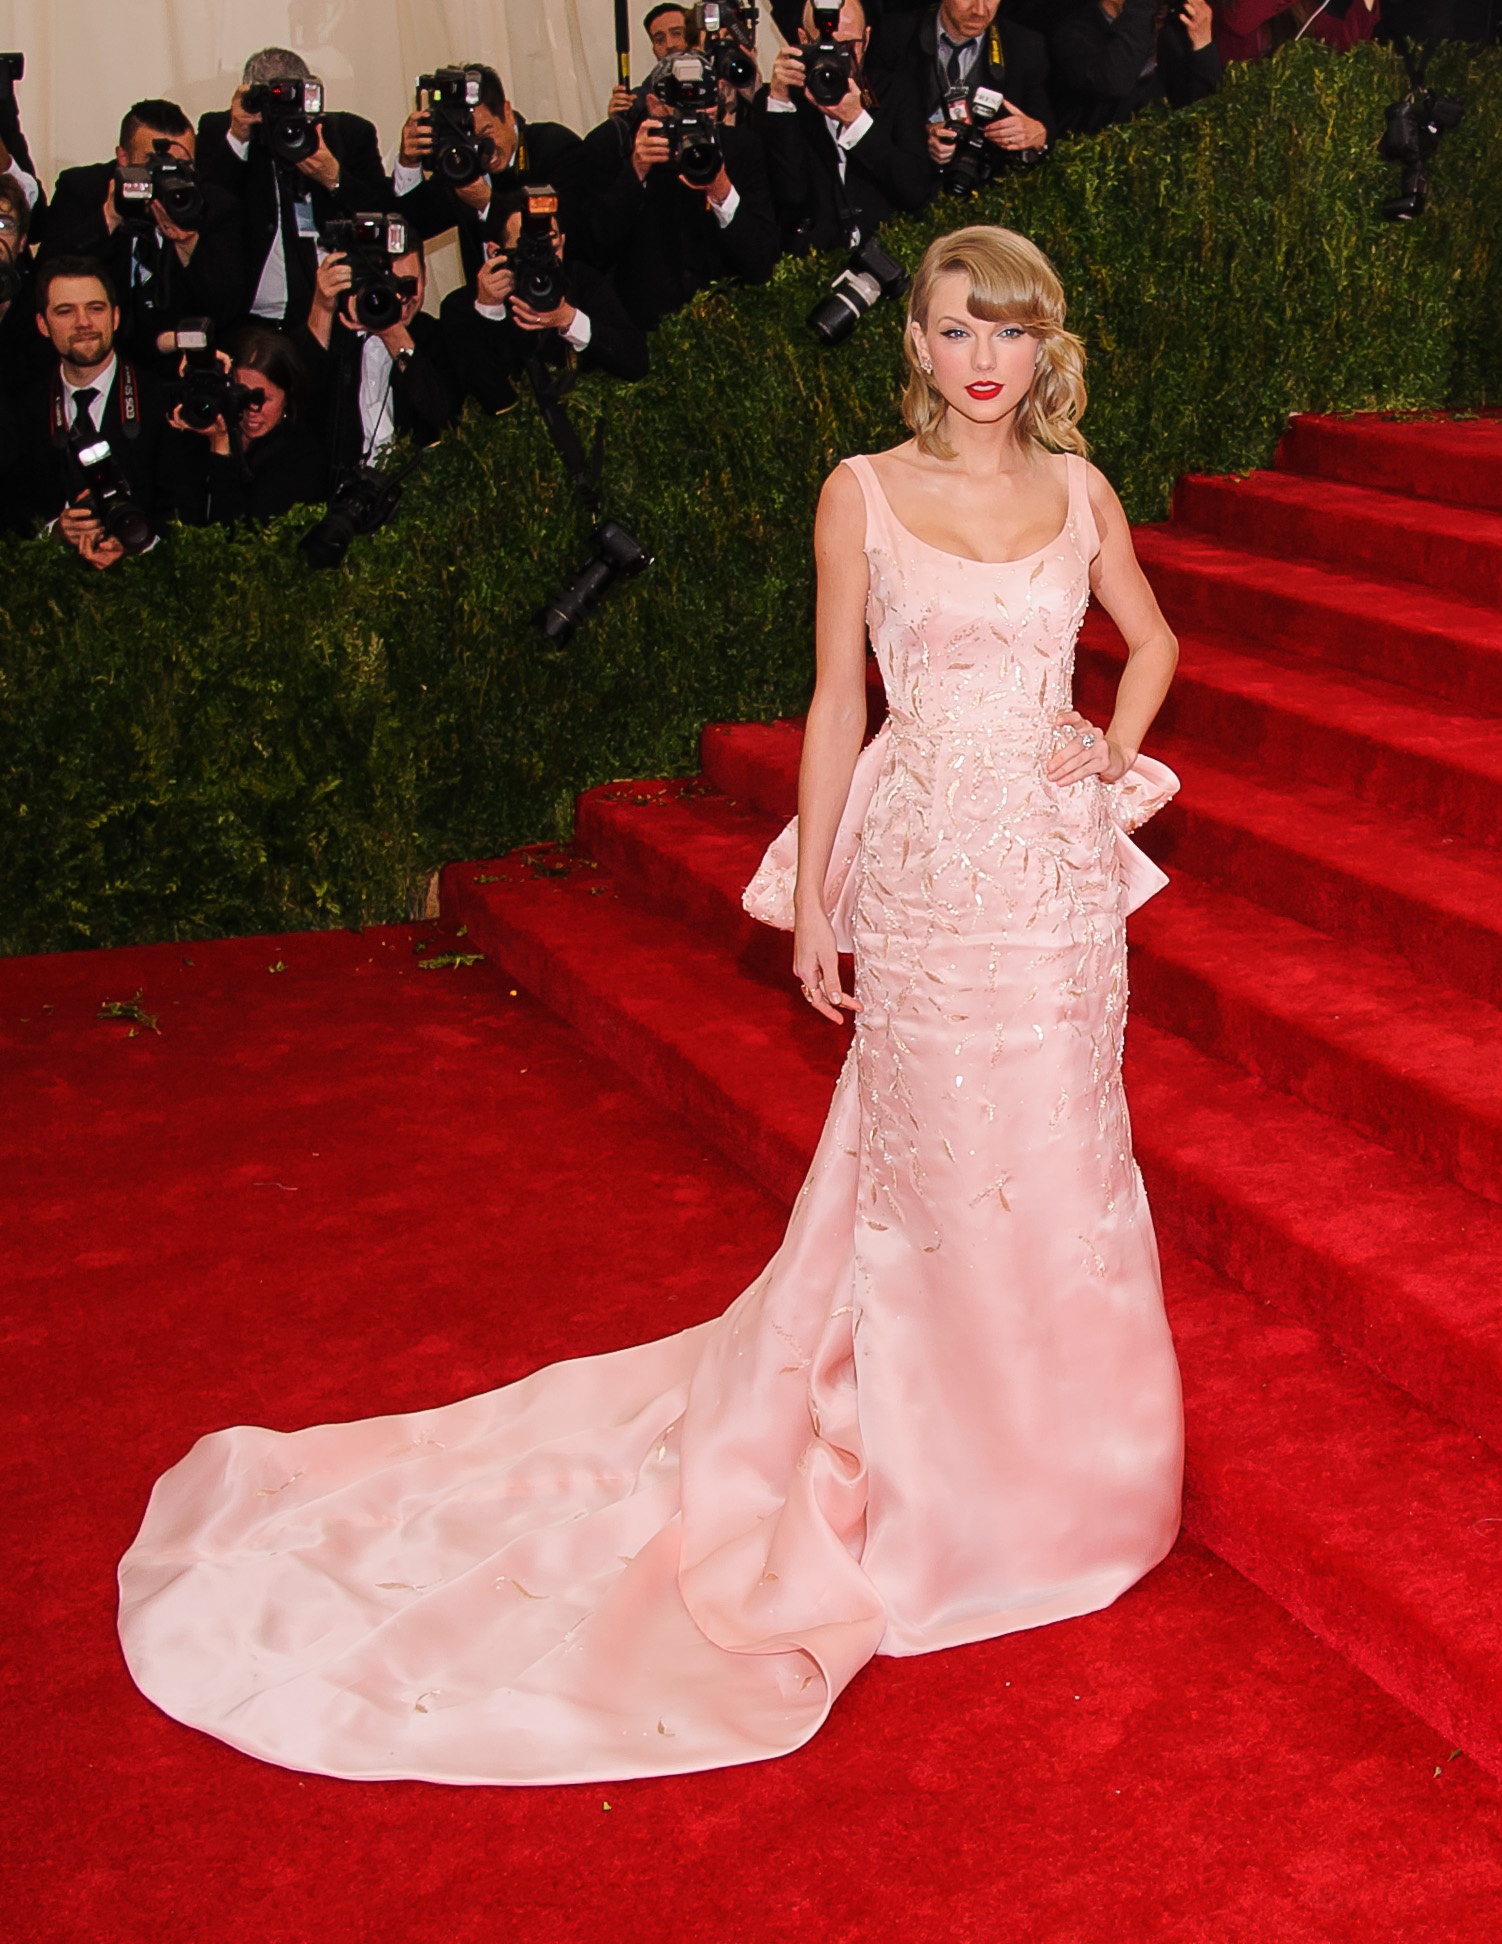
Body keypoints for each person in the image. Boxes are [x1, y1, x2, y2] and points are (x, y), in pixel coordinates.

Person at [117, 223, 1184, 1787]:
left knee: (1067, 1166)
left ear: (1044, 348)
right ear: (916, 342)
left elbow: (1150, 639)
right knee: (939, 1178)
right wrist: (816, 892)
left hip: (1054, 888)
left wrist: (1108, 743)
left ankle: (1074, 1477)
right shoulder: (859, 490)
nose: (983, 359)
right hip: (924, 876)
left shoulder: (1081, 492)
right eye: (958, 328)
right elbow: (837, 699)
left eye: (1010, 332)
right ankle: (944, 1488)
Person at [18, 255, 201, 563]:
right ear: (42, 324)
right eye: (65, 311)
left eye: (95, 308)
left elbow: (187, 513)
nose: (83, 322)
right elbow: (12, 509)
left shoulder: (164, 402)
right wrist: (53, 533)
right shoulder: (22, 407)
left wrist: (138, 544)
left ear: (115, 317)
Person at [583, 52, 780, 330]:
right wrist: (636, 172)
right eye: (680, 110)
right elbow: (595, 250)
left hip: (727, 327)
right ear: (654, 105)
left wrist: (722, 191)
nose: (691, 121)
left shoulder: (742, 150)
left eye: (703, 110)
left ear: (717, 106)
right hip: (645, 330)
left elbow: (762, 262)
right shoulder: (615, 147)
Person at [196, 48, 390, 330]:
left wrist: (334, 178)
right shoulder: (224, 130)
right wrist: (239, 137)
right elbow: (209, 208)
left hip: (338, 312)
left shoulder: (348, 134)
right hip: (253, 319)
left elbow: (383, 214)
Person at [38, 99, 244, 364]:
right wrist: (108, 219)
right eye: (153, 163)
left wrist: (189, 246)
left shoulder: (212, 204)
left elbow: (227, 309)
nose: (167, 175)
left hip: (177, 358)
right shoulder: (83, 190)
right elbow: (47, 275)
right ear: (123, 158)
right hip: (95, 353)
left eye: (182, 165)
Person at [440, 189, 649, 417]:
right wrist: (490, 311)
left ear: (563, 241)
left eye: (549, 246)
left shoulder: (581, 282)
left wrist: (570, 321)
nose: (540, 260)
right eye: (527, 250)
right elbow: (491, 401)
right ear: (495, 252)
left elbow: (636, 362)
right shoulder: (460, 307)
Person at [393, 63, 591, 287]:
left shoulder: (554, 148)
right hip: (488, 305)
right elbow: (415, 226)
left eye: (487, 132)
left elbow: (573, 238)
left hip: (556, 294)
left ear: (507, 112)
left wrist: (487, 203)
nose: (484, 150)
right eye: (471, 140)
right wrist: (408, 163)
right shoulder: (462, 164)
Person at [763, 0, 932, 255]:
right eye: (825, 45)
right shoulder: (783, 102)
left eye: (848, 46)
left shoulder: (897, 92)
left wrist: (857, 122)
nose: (836, 56)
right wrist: (779, 100)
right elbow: (788, 196)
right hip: (813, 261)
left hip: (888, 253)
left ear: (867, 38)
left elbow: (915, 191)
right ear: (803, 40)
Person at [297, 230, 461, 485]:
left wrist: (393, 333)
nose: (400, 297)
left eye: (408, 284)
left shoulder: (436, 336)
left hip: (416, 490)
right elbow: (303, 409)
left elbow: (448, 419)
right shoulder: (333, 334)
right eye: (387, 285)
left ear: (425, 275)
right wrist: (321, 308)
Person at [865, 0, 1055, 189]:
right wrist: (920, 135)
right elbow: (871, 122)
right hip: (904, 188)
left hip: (985, 192)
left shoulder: (1026, 46)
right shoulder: (895, 34)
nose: (979, 10)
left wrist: (1037, 138)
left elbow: (1045, 135)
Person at [171, 324, 324, 523]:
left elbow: (243, 533)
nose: (252, 409)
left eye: (263, 399)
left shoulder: (303, 455)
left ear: (287, 396)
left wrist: (221, 449)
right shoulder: (204, 424)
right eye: (241, 395)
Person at [1049, 0, 1220, 134]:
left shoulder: (1170, 31)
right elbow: (1114, 83)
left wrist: (1202, 45)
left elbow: (1203, 114)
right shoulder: (1074, 32)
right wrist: (1142, 8)